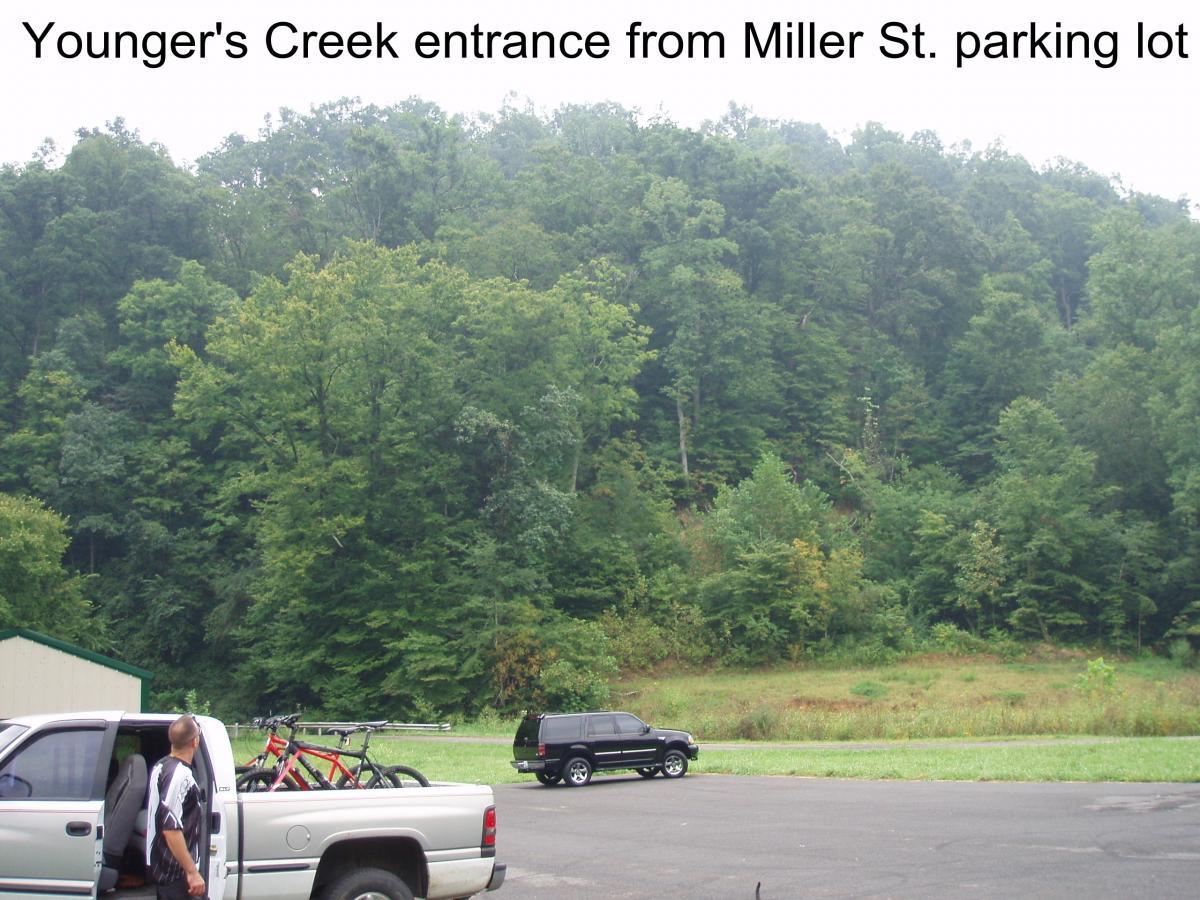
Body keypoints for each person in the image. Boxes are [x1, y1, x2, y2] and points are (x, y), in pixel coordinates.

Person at [146, 714, 207, 898]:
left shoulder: (160, 766)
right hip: (175, 874)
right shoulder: (179, 776)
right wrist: (191, 872)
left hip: (164, 870)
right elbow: (170, 829)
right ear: (195, 742)